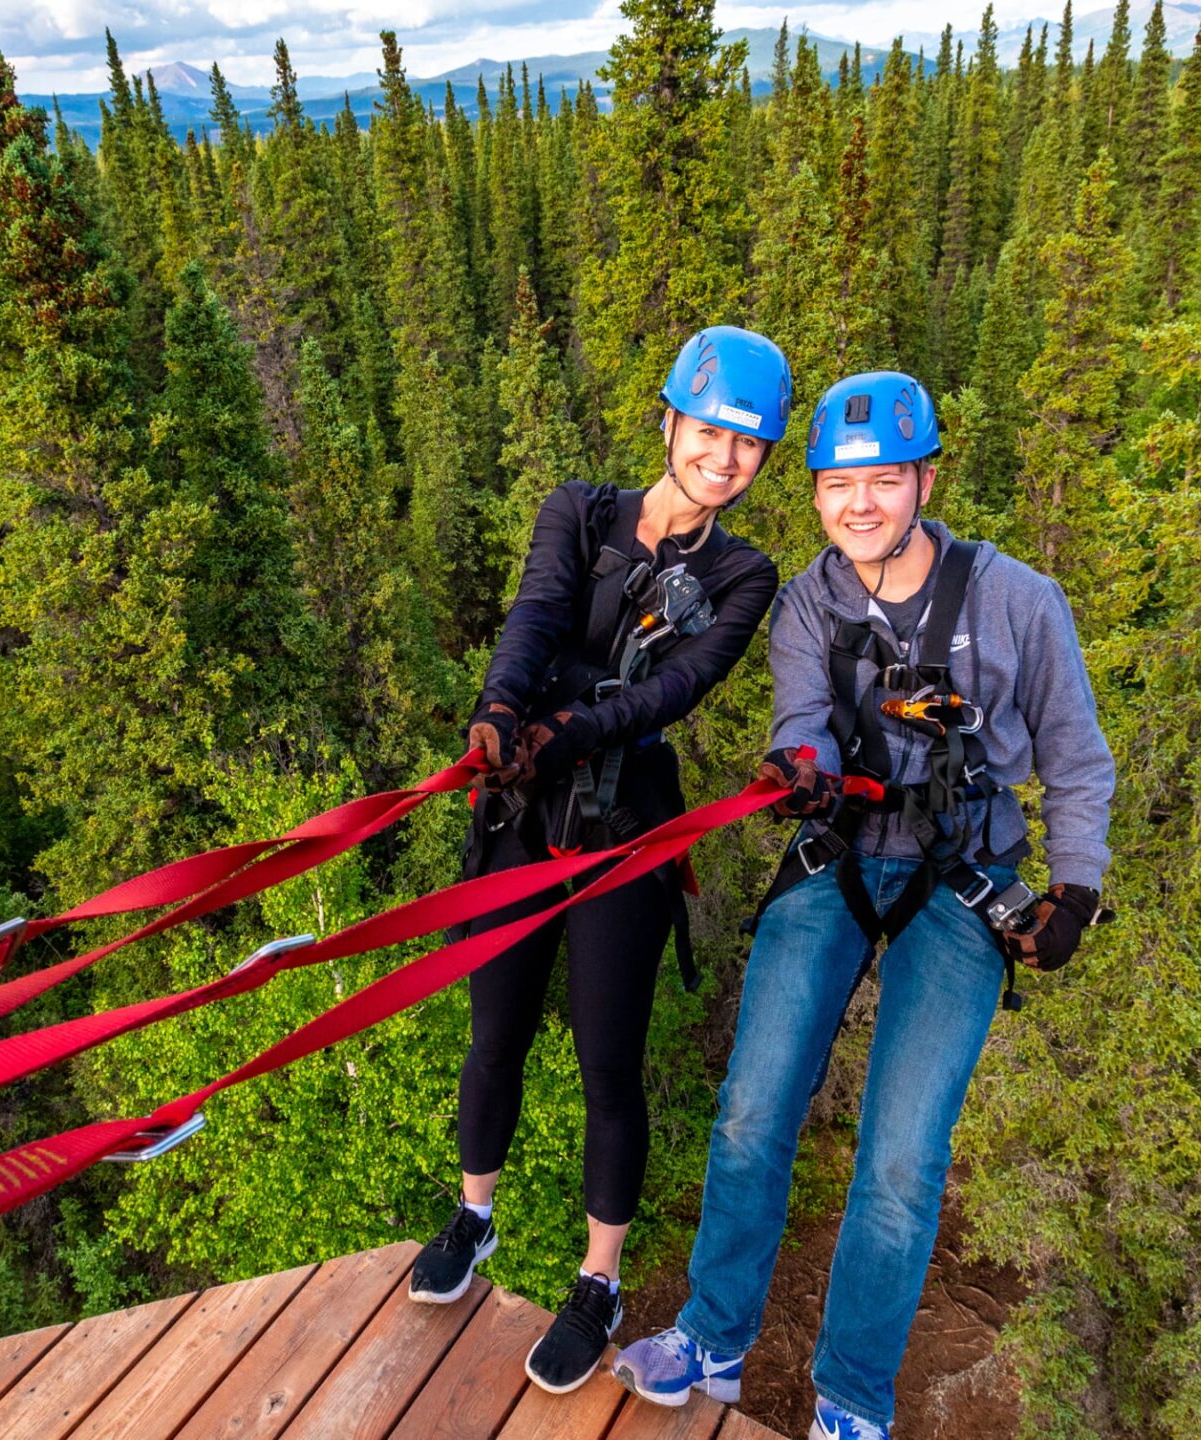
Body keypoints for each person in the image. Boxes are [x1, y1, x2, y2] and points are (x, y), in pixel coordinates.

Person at [612, 371, 1116, 1439]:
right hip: (837, 851)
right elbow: (803, 716)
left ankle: (850, 1401)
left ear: (924, 481)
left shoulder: (1015, 601)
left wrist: (1074, 888)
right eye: (837, 485)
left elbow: (1075, 757)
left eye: (883, 481)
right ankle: (713, 1336)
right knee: (751, 1111)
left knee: (899, 1160)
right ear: (812, 494)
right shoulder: (809, 603)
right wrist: (801, 766)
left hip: (962, 877)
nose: (859, 506)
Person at [406, 325, 794, 1396]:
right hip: (521, 807)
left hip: (624, 828)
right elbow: (536, 612)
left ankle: (598, 1282)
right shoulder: (578, 510)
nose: (723, 458)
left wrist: (571, 733)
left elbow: (680, 687)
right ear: (667, 422)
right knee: (495, 1034)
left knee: (606, 1067)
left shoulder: (744, 574)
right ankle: (473, 1216)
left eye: (747, 447)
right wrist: (497, 710)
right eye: (709, 432)